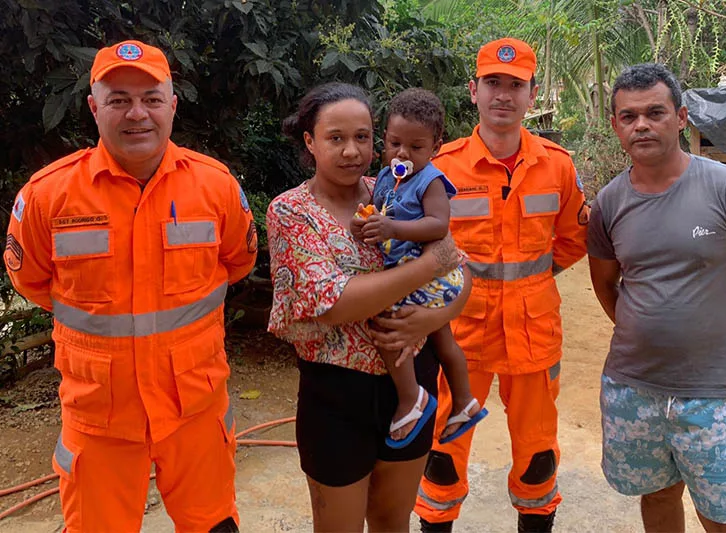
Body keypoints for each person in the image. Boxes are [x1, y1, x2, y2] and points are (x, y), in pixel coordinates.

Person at [3, 40, 256, 532]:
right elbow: (33, 281)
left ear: (172, 105)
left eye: (151, 98)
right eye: (118, 99)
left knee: (214, 526)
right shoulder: (47, 196)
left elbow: (237, 262)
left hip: (195, 409)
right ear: (95, 107)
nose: (136, 114)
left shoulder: (216, 187)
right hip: (100, 417)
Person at [588, 63, 726, 533]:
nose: (641, 124)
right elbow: (605, 282)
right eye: (628, 116)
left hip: (712, 394)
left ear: (681, 117)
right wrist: (645, 330)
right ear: (616, 125)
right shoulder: (609, 203)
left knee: (723, 517)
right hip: (631, 390)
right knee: (658, 498)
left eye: (655, 112)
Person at [267, 82, 471, 532]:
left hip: (414, 385)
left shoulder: (395, 190)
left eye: (362, 137)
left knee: (392, 521)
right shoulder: (292, 212)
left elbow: (461, 269)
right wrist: (428, 267)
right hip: (336, 395)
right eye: (335, 138)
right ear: (310, 142)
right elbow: (333, 303)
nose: (350, 151)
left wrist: (434, 316)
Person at [415, 38, 589, 533]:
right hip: (458, 338)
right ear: (473, 91)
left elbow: (574, 239)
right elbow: (417, 251)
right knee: (442, 456)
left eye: (515, 85)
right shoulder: (442, 168)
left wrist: (530, 283)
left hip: (533, 337)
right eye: (493, 82)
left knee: (537, 457)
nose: (503, 95)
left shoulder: (557, 165)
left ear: (533, 94)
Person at [350, 88, 487, 449]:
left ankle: (411, 399)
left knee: (388, 318)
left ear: (435, 148)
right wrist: (364, 224)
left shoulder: (430, 182)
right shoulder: (383, 178)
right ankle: (464, 402)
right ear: (385, 139)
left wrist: (393, 229)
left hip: (435, 274)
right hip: (417, 270)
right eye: (395, 143)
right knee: (443, 340)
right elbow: (377, 213)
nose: (402, 154)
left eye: (416, 147)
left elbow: (438, 226)